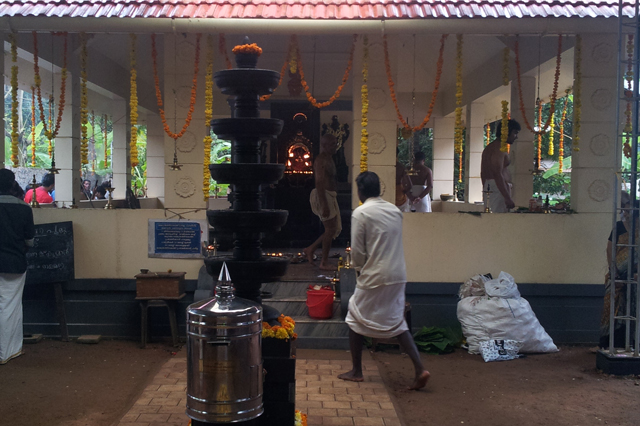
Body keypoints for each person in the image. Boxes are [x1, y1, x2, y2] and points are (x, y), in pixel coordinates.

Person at [338, 171, 430, 390]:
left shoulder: (361, 213)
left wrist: (359, 269)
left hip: (375, 274)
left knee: (353, 316)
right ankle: (420, 369)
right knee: (397, 322)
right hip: (398, 274)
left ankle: (357, 371)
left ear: (360, 191)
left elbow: (358, 252)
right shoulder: (394, 211)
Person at [0, 169, 35, 364]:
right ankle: (7, 352)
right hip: (14, 263)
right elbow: (29, 240)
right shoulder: (23, 208)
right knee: (9, 306)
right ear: (13, 185)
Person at [601, 192, 636, 348]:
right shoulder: (619, 227)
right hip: (617, 276)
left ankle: (632, 344)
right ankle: (610, 345)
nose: (626, 214)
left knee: (633, 311)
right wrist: (614, 273)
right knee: (612, 312)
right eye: (625, 211)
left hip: (635, 279)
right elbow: (610, 250)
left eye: (630, 211)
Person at [303, 134, 341, 270]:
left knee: (332, 229)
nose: (335, 146)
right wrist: (324, 203)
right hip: (323, 195)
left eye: (335, 143)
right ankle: (324, 262)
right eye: (332, 144)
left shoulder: (330, 158)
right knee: (330, 229)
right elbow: (319, 182)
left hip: (330, 195)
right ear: (324, 145)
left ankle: (311, 249)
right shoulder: (321, 160)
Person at [480, 119, 521, 213]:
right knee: (497, 219)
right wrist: (507, 197)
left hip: (492, 186)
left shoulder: (490, 147)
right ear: (507, 132)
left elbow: (483, 173)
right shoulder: (498, 149)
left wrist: (487, 187)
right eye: (515, 133)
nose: (516, 137)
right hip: (497, 188)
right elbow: (497, 173)